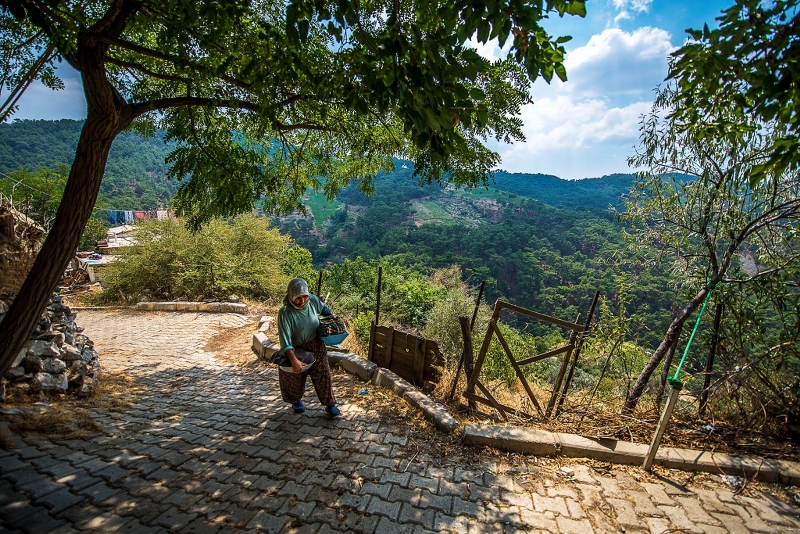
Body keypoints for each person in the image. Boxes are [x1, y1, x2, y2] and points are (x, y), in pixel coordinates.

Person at [276, 278, 340, 417]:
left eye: (305, 296)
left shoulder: (313, 301)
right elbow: (285, 339)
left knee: (323, 375)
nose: (303, 301)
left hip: (317, 345)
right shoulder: (285, 312)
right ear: (291, 296)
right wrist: (293, 360)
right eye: (298, 298)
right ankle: (295, 401)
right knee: (294, 377)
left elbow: (326, 310)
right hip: (297, 349)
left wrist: (332, 322)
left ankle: (330, 404)